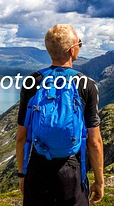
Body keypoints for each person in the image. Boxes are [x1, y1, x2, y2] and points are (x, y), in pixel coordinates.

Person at [16, 24, 104, 206]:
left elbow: (21, 137)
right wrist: (99, 181)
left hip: (38, 168)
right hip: (71, 171)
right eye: (80, 43)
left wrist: (22, 174)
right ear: (72, 50)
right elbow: (94, 141)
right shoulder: (86, 85)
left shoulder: (32, 81)